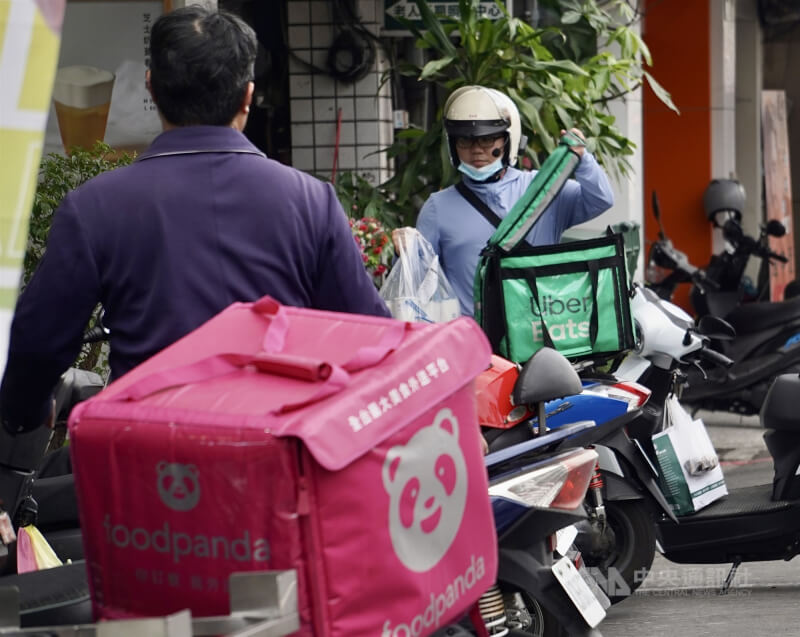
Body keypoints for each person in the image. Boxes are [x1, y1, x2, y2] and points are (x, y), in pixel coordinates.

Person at [0, 6, 389, 436]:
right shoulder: (311, 201)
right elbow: (372, 340)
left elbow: (37, 347)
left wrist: (25, 414)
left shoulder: (94, 207)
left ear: (152, 88)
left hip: (149, 469)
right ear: (247, 96)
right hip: (279, 467)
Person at [413, 85, 615, 317]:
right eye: (465, 141)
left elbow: (601, 199)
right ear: (453, 146)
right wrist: (405, 250)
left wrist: (582, 157)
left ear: (509, 140)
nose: (476, 150)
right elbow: (418, 281)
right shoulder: (438, 207)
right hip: (475, 344)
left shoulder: (545, 188)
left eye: (488, 140)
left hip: (542, 333)